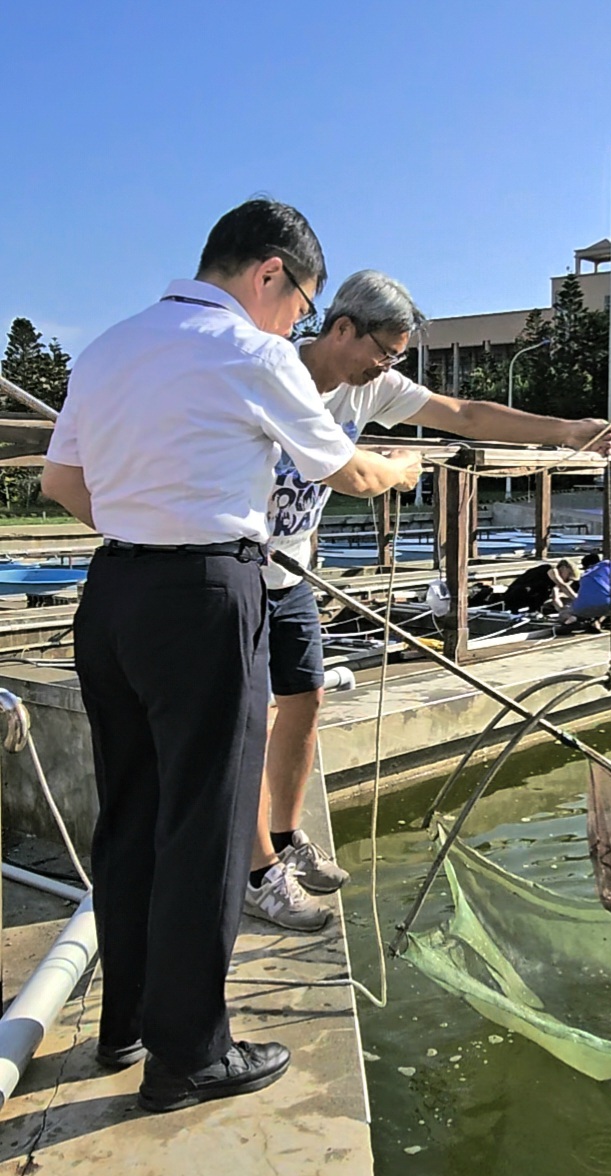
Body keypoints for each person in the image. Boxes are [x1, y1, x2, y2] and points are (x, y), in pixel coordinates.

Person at [40, 202, 421, 1114]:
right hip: (207, 599)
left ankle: (125, 1024)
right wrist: (407, 470)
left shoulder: (108, 348)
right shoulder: (251, 356)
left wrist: (146, 528)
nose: (297, 323)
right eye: (301, 304)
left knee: (130, 814)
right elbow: (350, 472)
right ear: (269, 274)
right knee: (207, 829)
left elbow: (59, 481)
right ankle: (190, 1057)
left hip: (114, 595)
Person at [246, 270, 611, 929]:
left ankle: (284, 838)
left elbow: (463, 415)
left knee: (304, 701)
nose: (386, 368)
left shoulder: (372, 388)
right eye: (383, 352)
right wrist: (394, 469)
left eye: (396, 357)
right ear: (341, 328)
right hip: (237, 571)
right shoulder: (270, 370)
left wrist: (566, 431)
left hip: (292, 573)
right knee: (250, 726)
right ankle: (257, 875)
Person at [559, 551, 611, 633]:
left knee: (571, 611)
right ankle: (601, 621)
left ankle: (574, 620)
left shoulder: (584, 575)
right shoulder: (607, 564)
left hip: (581, 608)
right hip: (606, 604)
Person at [502, 559, 578, 614]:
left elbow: (555, 599)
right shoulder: (551, 570)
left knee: (544, 593)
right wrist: (578, 599)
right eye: (568, 576)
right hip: (515, 595)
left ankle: (532, 612)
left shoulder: (554, 584)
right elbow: (562, 586)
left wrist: (562, 611)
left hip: (529, 602)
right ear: (563, 568)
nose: (568, 581)